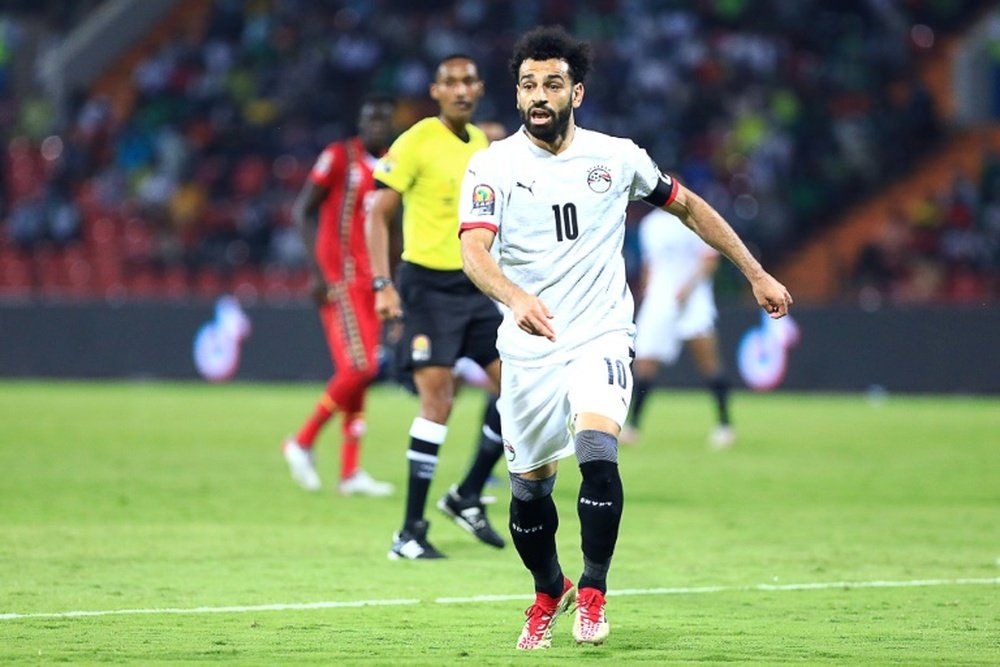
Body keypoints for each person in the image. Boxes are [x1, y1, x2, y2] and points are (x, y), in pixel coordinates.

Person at [457, 26, 792, 649]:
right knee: (529, 491)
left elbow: (689, 206)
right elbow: (472, 249)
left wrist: (754, 271)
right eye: (528, 84)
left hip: (601, 332)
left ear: (576, 93)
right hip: (528, 344)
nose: (538, 95)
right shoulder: (492, 164)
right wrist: (515, 296)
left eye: (552, 84)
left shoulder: (617, 157)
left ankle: (592, 592)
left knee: (596, 452)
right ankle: (547, 588)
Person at [367, 54, 507, 559]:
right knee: (438, 403)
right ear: (435, 90)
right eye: (450, 82)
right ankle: (408, 532)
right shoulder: (417, 140)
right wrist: (383, 284)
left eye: (469, 80)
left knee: (518, 390)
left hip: (475, 287)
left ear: (480, 87)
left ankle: (467, 494)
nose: (461, 89)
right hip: (426, 288)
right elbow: (377, 215)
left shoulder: (482, 145)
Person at [281, 94, 396, 497]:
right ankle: (302, 440)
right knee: (362, 368)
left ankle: (349, 472)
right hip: (341, 280)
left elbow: (392, 228)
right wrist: (316, 273)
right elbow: (302, 211)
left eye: (384, 119)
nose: (377, 125)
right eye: (371, 118)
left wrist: (390, 281)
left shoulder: (390, 165)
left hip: (372, 282)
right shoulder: (337, 157)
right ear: (361, 121)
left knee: (358, 374)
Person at [621, 207, 735, 449]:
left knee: (708, 362)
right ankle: (633, 426)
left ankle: (725, 425)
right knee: (645, 363)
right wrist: (649, 293)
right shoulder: (651, 224)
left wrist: (688, 288)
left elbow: (709, 260)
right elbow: (650, 265)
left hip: (694, 300)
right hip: (660, 300)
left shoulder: (696, 215)